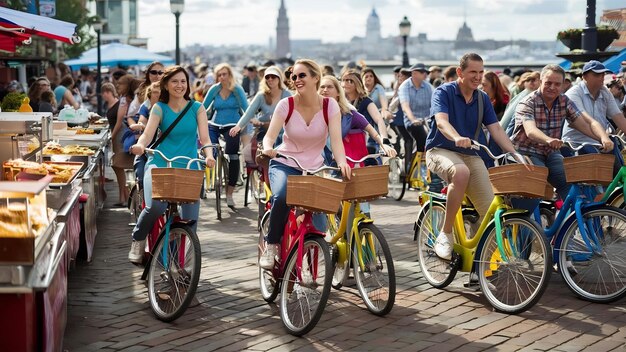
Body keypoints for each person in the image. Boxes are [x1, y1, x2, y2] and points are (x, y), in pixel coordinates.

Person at [426, 53, 523, 261]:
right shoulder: (444, 92)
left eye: (481, 72)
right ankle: (446, 233)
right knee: (461, 172)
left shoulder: (482, 98)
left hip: (471, 153)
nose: (478, 77)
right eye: (473, 72)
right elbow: (441, 122)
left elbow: (496, 129)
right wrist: (457, 137)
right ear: (460, 72)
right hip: (440, 150)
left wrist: (515, 153)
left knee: (490, 212)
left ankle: (479, 264)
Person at [259, 59, 351, 269]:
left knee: (319, 218)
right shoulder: (286, 104)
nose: (297, 80)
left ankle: (311, 265)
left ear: (315, 78)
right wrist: (267, 147)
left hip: (314, 168)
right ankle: (272, 243)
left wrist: (342, 162)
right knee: (282, 196)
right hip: (285, 163)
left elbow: (336, 141)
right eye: (294, 77)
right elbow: (269, 136)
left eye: (302, 75)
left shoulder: (330, 105)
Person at [128, 65, 215, 264]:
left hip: (189, 166)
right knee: (156, 206)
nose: (179, 85)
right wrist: (140, 145)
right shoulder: (159, 108)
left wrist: (209, 155)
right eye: (175, 81)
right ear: (166, 84)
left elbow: (205, 138)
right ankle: (138, 237)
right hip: (160, 164)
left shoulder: (197, 108)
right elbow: (148, 134)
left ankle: (180, 263)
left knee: (191, 220)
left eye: (183, 81)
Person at [511, 64, 613, 201]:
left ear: (563, 85)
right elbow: (531, 131)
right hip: (527, 152)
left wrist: (603, 138)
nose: (552, 87)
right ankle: (526, 221)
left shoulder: (564, 101)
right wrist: (548, 140)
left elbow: (583, 124)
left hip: (551, 152)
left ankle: (572, 219)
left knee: (569, 182)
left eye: (557, 84)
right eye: (548, 83)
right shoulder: (528, 102)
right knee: (536, 185)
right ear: (541, 82)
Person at [562, 60, 626, 173]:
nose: (601, 77)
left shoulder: (605, 92)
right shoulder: (573, 93)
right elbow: (587, 121)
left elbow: (619, 118)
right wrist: (603, 138)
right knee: (605, 169)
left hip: (602, 142)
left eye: (603, 74)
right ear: (584, 76)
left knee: (620, 167)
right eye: (597, 74)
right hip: (576, 143)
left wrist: (604, 139)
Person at [319, 75, 396, 165]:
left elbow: (373, 132)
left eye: (329, 87)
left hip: (338, 162)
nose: (325, 90)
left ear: (338, 92)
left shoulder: (349, 114)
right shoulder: (310, 112)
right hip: (313, 162)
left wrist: (384, 145)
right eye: (322, 87)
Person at [202, 63, 249, 208]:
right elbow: (202, 108)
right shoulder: (214, 89)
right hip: (215, 124)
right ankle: (202, 185)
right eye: (219, 75)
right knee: (209, 150)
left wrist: (243, 124)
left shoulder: (237, 89)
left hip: (232, 125)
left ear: (230, 75)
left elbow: (247, 109)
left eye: (225, 74)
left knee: (233, 155)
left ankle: (229, 193)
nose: (222, 77)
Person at [229, 66, 291, 142]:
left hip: (283, 134)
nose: (270, 79)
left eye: (273, 77)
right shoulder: (261, 95)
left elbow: (294, 115)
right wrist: (238, 127)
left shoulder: (287, 95)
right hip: (264, 131)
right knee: (247, 152)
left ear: (279, 78)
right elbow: (249, 112)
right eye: (267, 77)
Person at [341, 69, 389, 164]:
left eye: (350, 81)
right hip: (342, 142)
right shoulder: (340, 101)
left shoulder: (365, 101)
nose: (345, 83)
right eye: (343, 80)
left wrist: (384, 139)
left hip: (365, 142)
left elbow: (379, 120)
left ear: (357, 83)